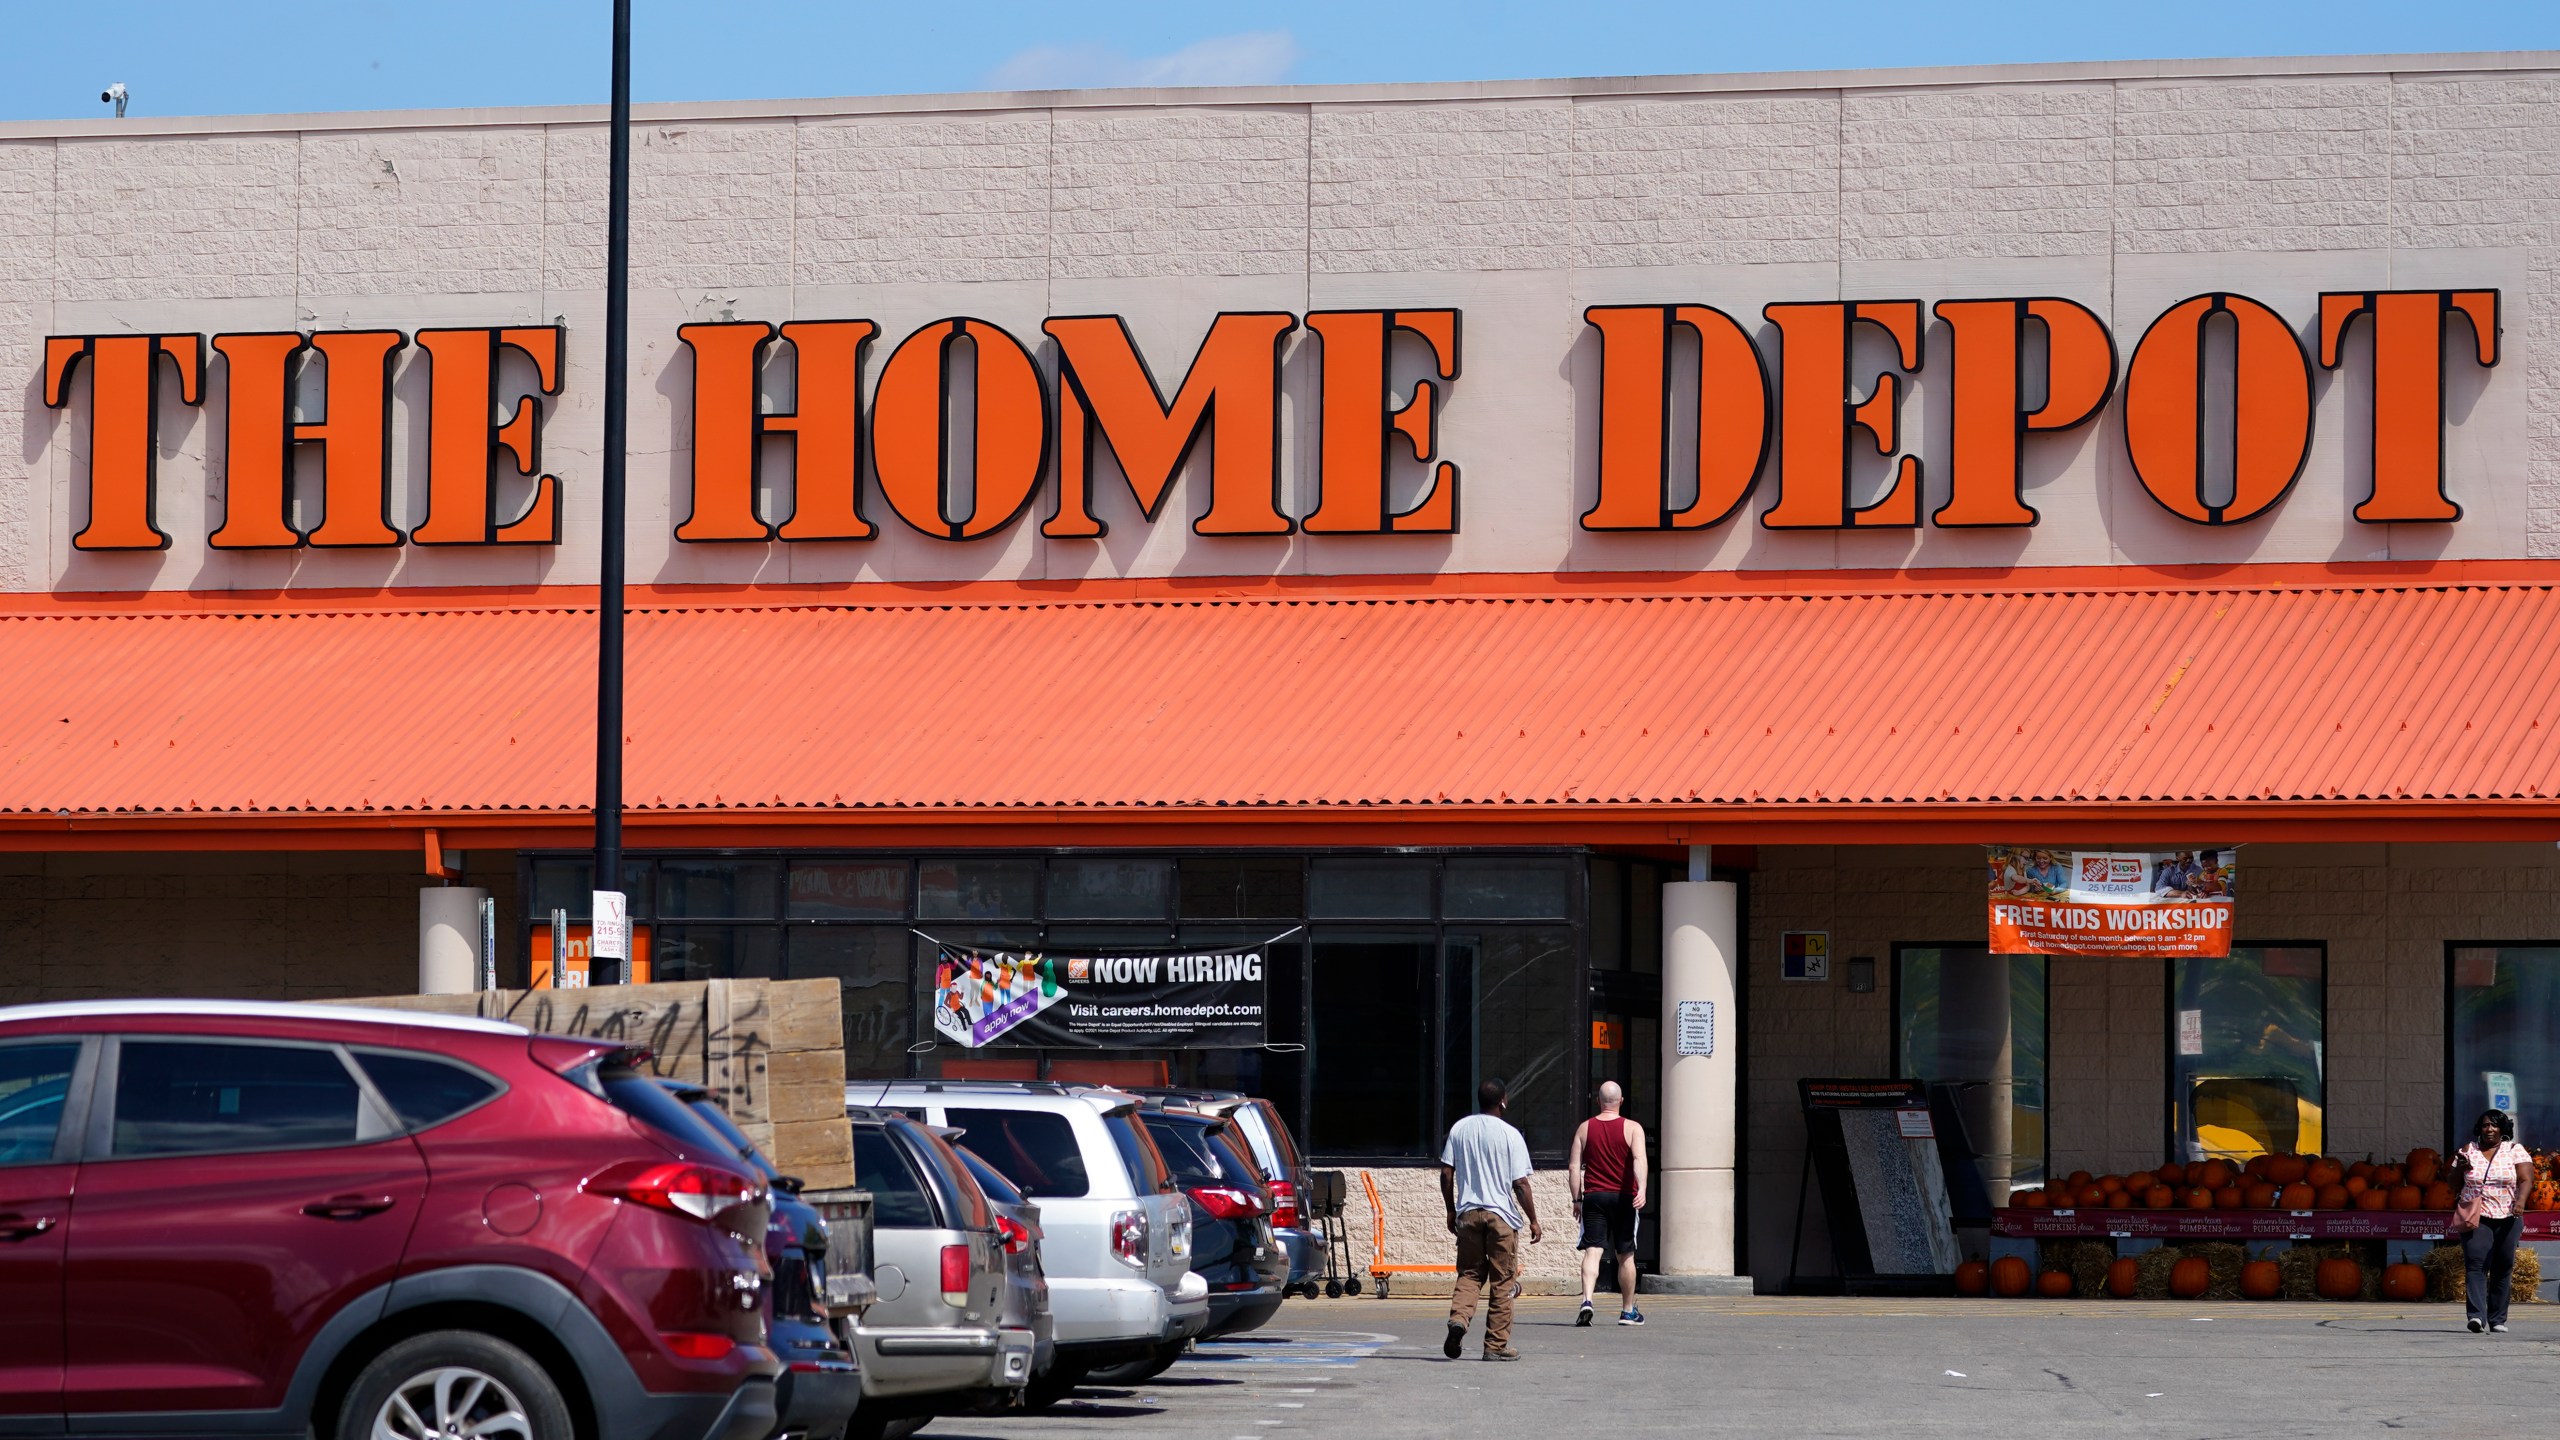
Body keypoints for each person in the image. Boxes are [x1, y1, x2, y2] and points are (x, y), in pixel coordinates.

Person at [1440, 1078, 1542, 1361]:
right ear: (1503, 1101)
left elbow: (1446, 1174)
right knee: (1503, 1281)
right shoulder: (1510, 1135)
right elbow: (1520, 1183)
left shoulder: (1460, 1129)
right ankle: (1495, 1346)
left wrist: (1451, 1210)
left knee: (1470, 1274)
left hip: (1469, 1214)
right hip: (1501, 1217)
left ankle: (1458, 1321)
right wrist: (1533, 1220)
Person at [1567, 1081, 1648, 1326]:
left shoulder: (1584, 1128)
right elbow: (1639, 1158)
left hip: (1595, 1197)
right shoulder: (1633, 1128)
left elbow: (1573, 1167)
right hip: (1624, 1197)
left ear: (1598, 1102)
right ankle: (1627, 1311)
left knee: (1593, 1251)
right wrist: (1641, 1189)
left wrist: (1577, 1199)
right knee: (1626, 1255)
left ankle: (1587, 1300)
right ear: (1621, 1101)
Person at [2455, 1108, 2536, 1333]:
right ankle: (2476, 1317)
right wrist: (2458, 1169)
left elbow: (2526, 1179)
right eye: (2485, 1125)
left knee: (2503, 1266)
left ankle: (2498, 1319)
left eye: (2494, 1125)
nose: (2489, 1129)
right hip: (2477, 1215)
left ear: (2502, 1128)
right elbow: (2451, 1182)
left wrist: (2520, 1202)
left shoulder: (2514, 1150)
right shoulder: (2467, 1150)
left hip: (2509, 1216)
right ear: (2479, 1129)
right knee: (2476, 1264)